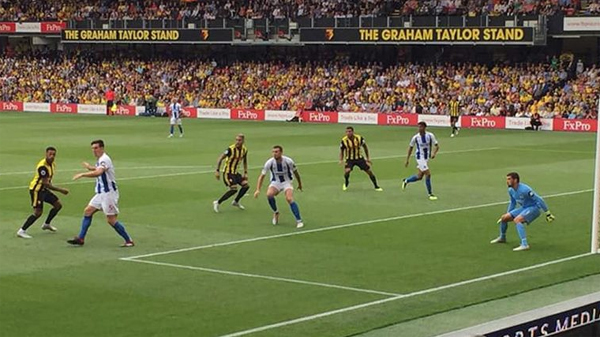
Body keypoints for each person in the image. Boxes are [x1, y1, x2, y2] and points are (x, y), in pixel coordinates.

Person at [67, 140, 134, 247]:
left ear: (102, 148)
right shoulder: (100, 160)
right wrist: (90, 167)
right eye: (92, 148)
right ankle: (81, 238)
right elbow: (99, 168)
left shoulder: (105, 159)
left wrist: (83, 174)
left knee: (111, 220)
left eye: (96, 148)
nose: (94, 150)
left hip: (109, 194)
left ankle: (129, 240)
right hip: (100, 193)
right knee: (88, 211)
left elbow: (99, 172)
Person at [491, 172, 555, 251]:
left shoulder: (525, 190)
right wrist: (508, 213)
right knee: (504, 218)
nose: (507, 181)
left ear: (515, 180)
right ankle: (502, 237)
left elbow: (539, 199)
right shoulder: (511, 190)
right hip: (524, 208)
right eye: (507, 179)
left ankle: (524, 244)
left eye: (509, 179)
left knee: (517, 220)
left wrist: (547, 213)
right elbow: (513, 203)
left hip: (533, 208)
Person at [16, 147, 69, 239]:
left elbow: (49, 181)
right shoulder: (42, 167)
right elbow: (46, 183)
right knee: (38, 212)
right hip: (37, 190)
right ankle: (22, 230)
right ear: (46, 154)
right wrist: (61, 190)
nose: (52, 156)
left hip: (44, 190)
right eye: (50, 154)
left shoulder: (52, 165)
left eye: (54, 155)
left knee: (58, 205)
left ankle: (46, 224)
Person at [253, 146, 304, 228]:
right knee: (269, 195)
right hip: (275, 182)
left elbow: (296, 173)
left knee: (289, 198)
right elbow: (261, 176)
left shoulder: (288, 161)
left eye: (276, 152)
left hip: (287, 182)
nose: (274, 154)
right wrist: (258, 189)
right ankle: (276, 212)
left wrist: (300, 184)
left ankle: (299, 220)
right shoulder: (269, 162)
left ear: (281, 152)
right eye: (273, 152)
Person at [402, 122, 439, 200]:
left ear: (425, 127)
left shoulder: (430, 136)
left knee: (419, 176)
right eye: (418, 127)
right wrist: (407, 159)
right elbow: (410, 148)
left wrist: (434, 153)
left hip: (426, 158)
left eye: (421, 127)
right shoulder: (415, 137)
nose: (419, 129)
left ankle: (406, 180)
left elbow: (437, 146)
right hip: (419, 157)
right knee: (428, 174)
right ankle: (430, 194)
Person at [213, 134, 250, 212]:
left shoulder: (244, 150)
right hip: (228, 172)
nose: (237, 142)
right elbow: (220, 158)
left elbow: (245, 161)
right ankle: (217, 202)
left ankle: (236, 201)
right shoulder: (230, 149)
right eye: (236, 140)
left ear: (243, 141)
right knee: (234, 189)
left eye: (239, 140)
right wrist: (217, 170)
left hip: (236, 173)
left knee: (246, 186)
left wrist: (245, 172)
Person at [339, 126, 382, 191]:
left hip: (359, 158)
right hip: (349, 159)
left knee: (369, 172)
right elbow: (342, 150)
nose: (348, 133)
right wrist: (341, 160)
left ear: (353, 132)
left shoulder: (359, 138)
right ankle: (346, 182)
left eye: (349, 131)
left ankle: (376, 186)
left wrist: (368, 158)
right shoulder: (344, 140)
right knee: (347, 171)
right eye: (347, 132)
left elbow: (365, 148)